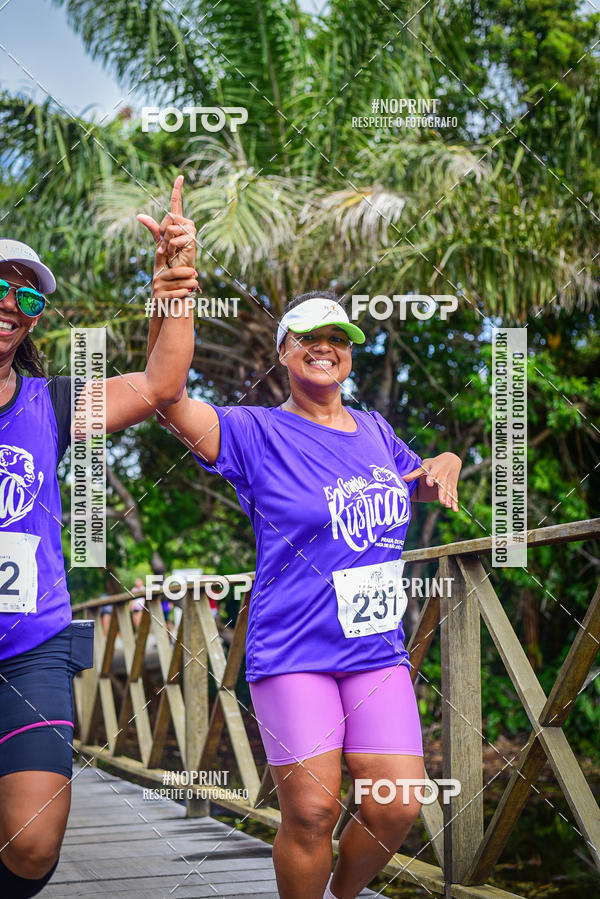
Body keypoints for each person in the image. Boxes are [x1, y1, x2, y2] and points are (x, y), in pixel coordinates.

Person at [147, 254, 462, 898]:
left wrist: (448, 458)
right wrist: (175, 293)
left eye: (338, 340)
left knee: (396, 803)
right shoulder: (254, 432)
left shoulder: (375, 429)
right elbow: (168, 398)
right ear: (284, 352)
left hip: (375, 648)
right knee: (312, 812)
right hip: (294, 649)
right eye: (309, 339)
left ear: (350, 355)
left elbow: (412, 483)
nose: (325, 349)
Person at [0, 175, 198, 897]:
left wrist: (175, 286)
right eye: (0, 287)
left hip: (31, 648)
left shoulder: (51, 404)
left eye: (26, 298)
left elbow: (161, 381)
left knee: (32, 843)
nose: (10, 306)